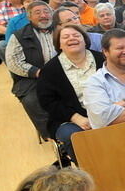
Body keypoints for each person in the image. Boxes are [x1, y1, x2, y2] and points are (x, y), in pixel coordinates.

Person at [36, 24, 103, 163]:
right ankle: (91, 174)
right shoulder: (50, 70)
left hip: (107, 112)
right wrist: (75, 117)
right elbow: (48, 101)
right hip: (70, 119)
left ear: (85, 40)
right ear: (59, 44)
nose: (72, 39)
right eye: (66, 37)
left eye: (76, 35)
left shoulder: (103, 59)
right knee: (74, 137)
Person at [5, 0, 56, 139]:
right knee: (31, 100)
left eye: (46, 11)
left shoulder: (61, 30)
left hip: (61, 73)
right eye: (37, 13)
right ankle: (53, 136)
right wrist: (37, 72)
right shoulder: (19, 36)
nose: (43, 15)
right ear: (29, 17)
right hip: (33, 78)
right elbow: (14, 62)